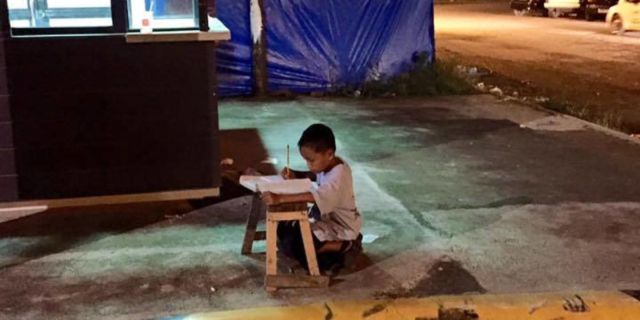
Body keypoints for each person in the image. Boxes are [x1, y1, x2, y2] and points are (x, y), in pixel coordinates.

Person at [261, 123, 362, 271]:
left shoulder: (339, 176)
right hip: (326, 223)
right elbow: (314, 175)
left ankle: (346, 245)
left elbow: (314, 196)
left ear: (329, 154)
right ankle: (328, 250)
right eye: (306, 160)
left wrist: (279, 198)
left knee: (301, 251)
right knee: (284, 231)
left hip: (342, 229)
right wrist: (296, 173)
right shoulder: (329, 163)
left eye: (311, 160)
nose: (309, 165)